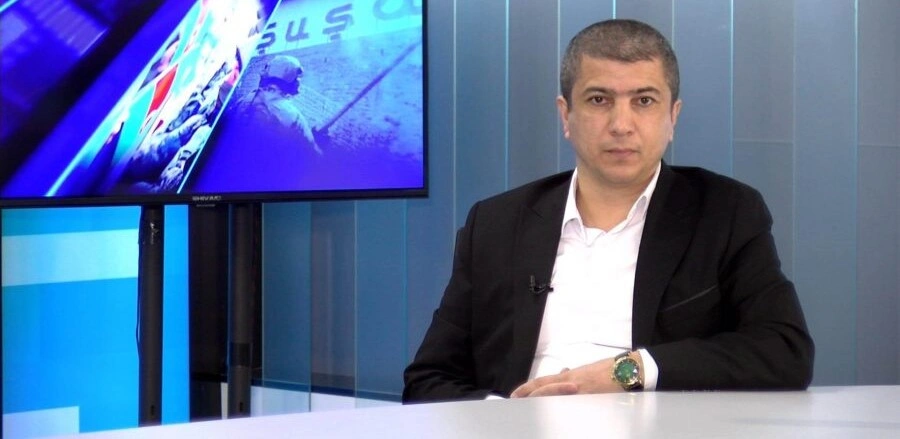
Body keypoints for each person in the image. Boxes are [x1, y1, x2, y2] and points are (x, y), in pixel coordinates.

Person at [402, 19, 814, 402]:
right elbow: (427, 380)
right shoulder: (496, 224)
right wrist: (507, 418)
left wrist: (629, 371)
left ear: (673, 117)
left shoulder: (725, 212)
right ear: (566, 115)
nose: (621, 124)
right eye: (599, 99)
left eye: (644, 100)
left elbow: (784, 350)